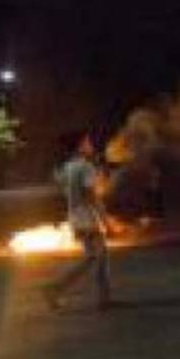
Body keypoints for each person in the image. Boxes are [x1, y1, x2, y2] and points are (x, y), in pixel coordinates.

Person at [43, 131, 112, 311]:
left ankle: (104, 298)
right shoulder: (85, 167)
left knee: (100, 256)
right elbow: (92, 196)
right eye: (87, 142)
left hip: (75, 218)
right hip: (87, 218)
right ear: (80, 146)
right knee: (94, 256)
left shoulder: (67, 167)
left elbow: (65, 188)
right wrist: (105, 220)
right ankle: (55, 287)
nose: (90, 145)